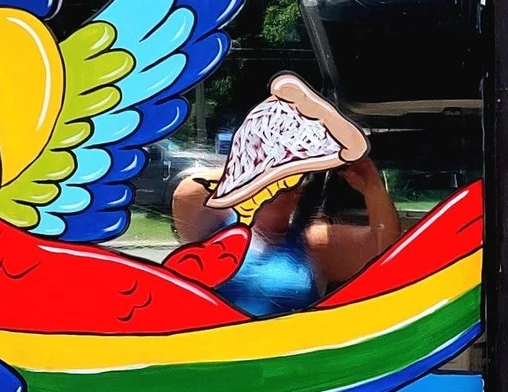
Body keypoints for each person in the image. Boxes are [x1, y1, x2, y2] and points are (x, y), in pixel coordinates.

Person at [170, 76, 404, 317]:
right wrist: (254, 164)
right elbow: (186, 194)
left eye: (297, 177)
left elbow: (384, 250)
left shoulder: (312, 243)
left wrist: (373, 187)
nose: (291, 186)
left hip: (288, 340)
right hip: (215, 340)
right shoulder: (217, 228)